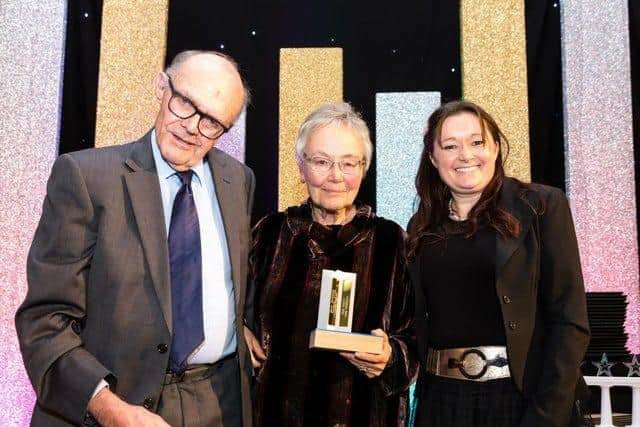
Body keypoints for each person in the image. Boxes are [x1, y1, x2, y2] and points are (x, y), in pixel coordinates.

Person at [15, 50, 255, 427]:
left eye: (212, 122)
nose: (193, 126)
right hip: (113, 404)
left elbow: (231, 283)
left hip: (219, 403)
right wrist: (107, 406)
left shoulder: (238, 180)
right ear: (162, 86)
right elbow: (45, 320)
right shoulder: (85, 177)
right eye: (185, 104)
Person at [407, 100, 590, 427]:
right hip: (441, 401)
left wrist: (546, 416)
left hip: (521, 399)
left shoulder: (541, 206)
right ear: (434, 158)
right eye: (450, 145)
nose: (465, 154)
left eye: (476, 142)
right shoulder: (421, 226)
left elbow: (570, 322)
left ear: (495, 147)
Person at [243, 102, 418, 427]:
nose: (336, 176)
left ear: (364, 168)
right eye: (321, 162)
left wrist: (391, 356)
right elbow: (229, 307)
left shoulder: (392, 241)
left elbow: (418, 334)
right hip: (275, 415)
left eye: (349, 163)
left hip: (367, 415)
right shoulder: (269, 233)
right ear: (301, 165)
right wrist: (237, 333)